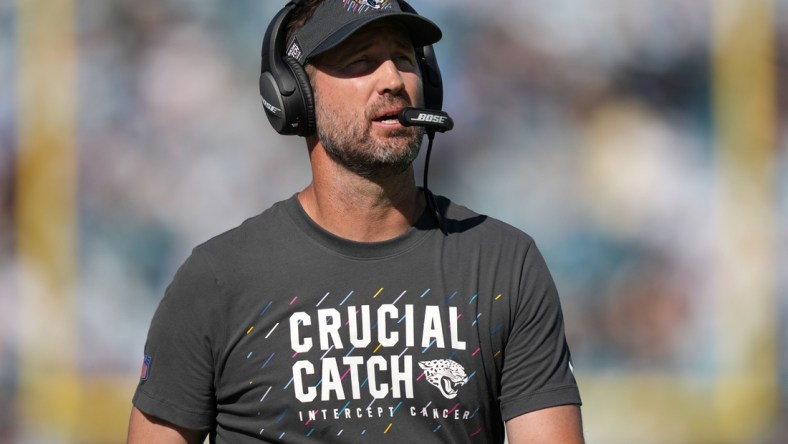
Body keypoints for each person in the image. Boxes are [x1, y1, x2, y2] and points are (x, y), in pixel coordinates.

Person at [127, 1, 584, 443]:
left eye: (403, 59)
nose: (392, 80)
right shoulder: (217, 280)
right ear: (294, 96)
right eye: (361, 61)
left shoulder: (504, 264)